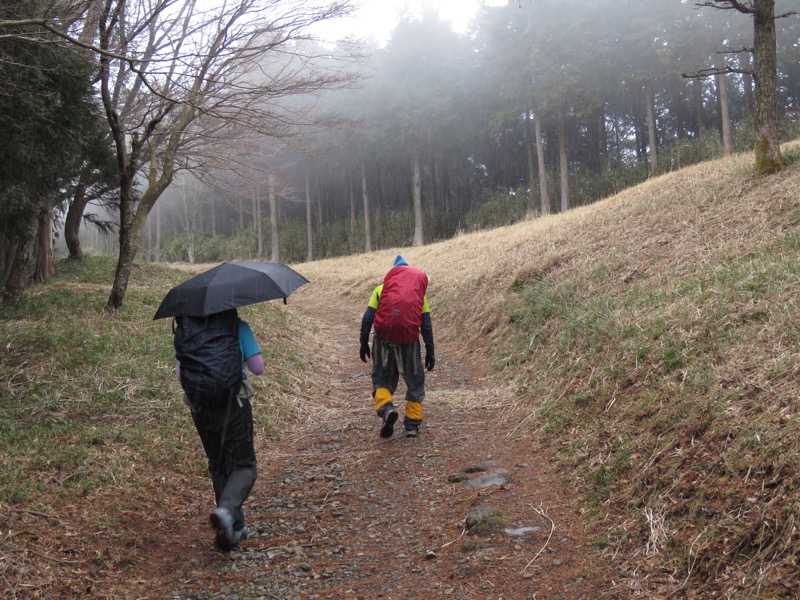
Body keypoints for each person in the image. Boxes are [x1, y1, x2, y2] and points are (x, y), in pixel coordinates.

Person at [175, 309, 264, 551]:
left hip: (201, 408)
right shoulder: (237, 326)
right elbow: (258, 367)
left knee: (218, 464)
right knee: (244, 465)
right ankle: (226, 511)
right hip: (233, 404)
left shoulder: (187, 332)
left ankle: (233, 527)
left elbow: (180, 373)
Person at [359, 254, 435, 438]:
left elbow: (368, 317)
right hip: (409, 342)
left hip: (383, 341)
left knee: (382, 379)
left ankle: (386, 409)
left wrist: (364, 343)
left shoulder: (380, 289)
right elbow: (425, 324)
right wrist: (430, 349)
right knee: (415, 382)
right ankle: (412, 424)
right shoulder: (417, 293)